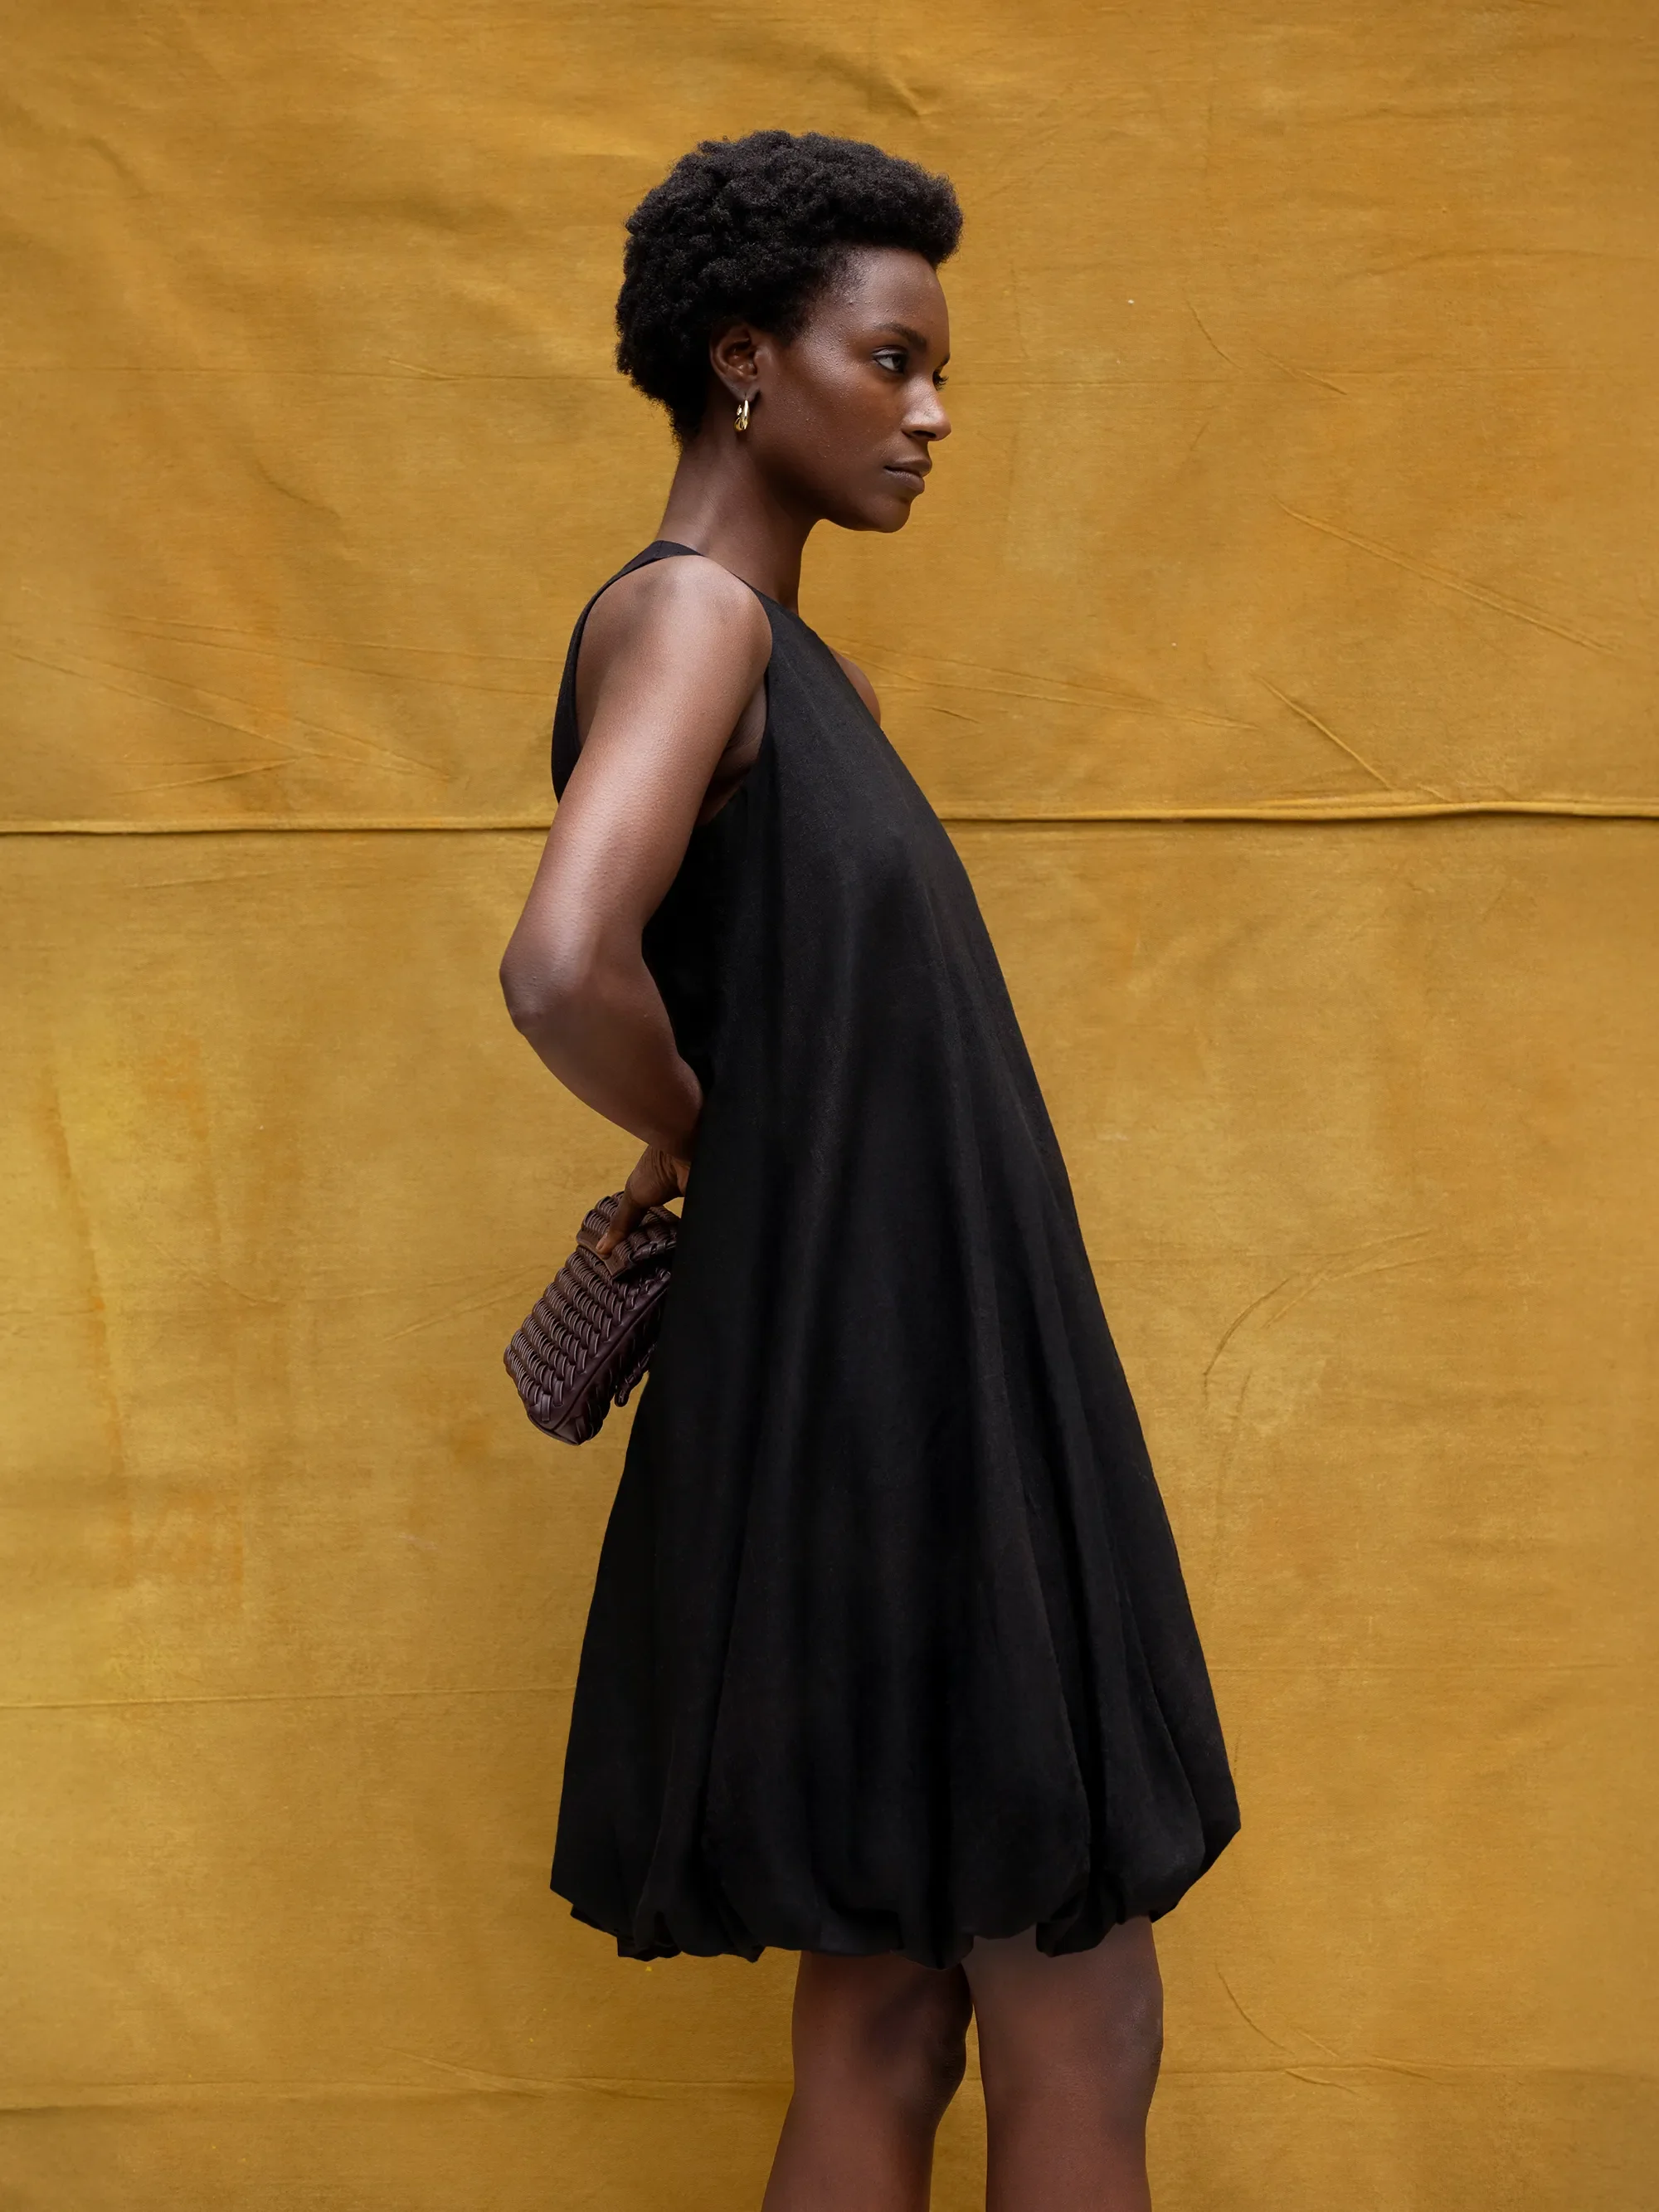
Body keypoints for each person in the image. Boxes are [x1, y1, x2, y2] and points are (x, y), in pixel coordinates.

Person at [499, 129, 1239, 2212]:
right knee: (1080, 2013)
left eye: (938, 373)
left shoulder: (776, 657)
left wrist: (725, 1135)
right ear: (744, 359)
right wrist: (704, 1130)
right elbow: (561, 960)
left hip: (872, 1385)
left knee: (892, 2010)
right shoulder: (695, 622)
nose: (930, 416)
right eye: (889, 359)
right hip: (898, 1394)